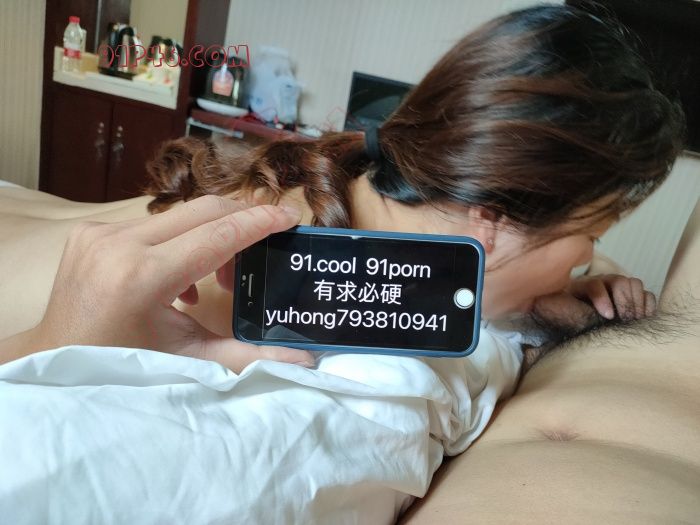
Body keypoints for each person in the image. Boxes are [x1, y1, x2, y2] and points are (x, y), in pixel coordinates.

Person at [0, 4, 687, 522]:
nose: (590, 258)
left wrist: (562, 287)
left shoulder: (367, 185)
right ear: (492, 216)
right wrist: (47, 343)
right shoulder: (251, 274)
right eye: (590, 233)